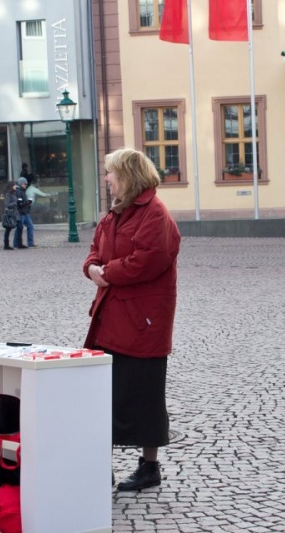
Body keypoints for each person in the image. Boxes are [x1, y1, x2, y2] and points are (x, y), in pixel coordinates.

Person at [82, 148, 181, 492]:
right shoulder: (113, 215)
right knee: (103, 396)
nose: (107, 179)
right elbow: (95, 250)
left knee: (144, 396)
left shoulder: (155, 213)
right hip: (109, 319)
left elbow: (148, 259)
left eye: (110, 173)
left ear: (126, 175)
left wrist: (105, 271)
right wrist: (92, 267)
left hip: (143, 324)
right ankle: (99, 465)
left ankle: (149, 467)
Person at [13, 177, 34, 248]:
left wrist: (27, 203)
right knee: (20, 228)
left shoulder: (22, 191)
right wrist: (27, 202)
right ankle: (17, 243)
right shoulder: (18, 192)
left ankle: (29, 243)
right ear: (21, 183)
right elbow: (19, 203)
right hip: (21, 213)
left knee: (29, 227)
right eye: (24, 184)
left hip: (24, 212)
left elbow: (21, 202)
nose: (26, 185)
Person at [2, 181, 19, 250]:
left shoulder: (13, 194)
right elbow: (7, 204)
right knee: (8, 229)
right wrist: (16, 203)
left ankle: (7, 244)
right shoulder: (8, 195)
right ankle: (6, 245)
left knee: (9, 229)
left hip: (13, 213)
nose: (16, 186)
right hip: (9, 214)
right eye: (14, 185)